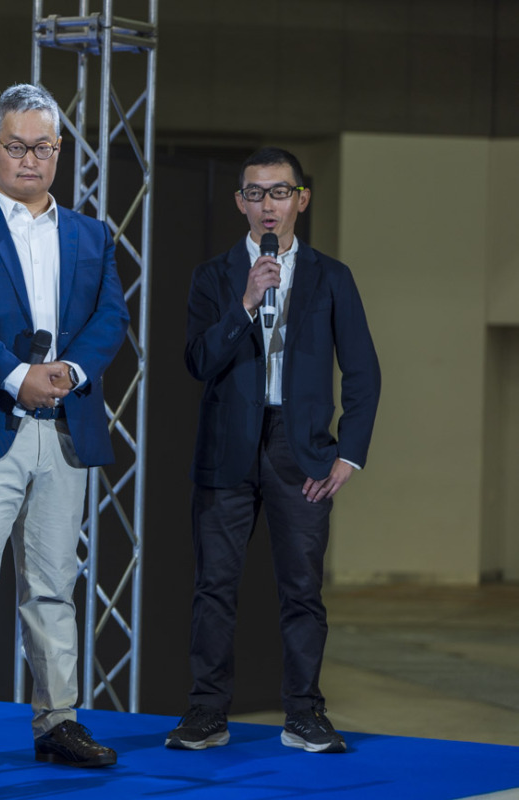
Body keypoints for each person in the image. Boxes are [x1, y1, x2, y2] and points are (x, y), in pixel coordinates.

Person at [0, 83, 129, 771]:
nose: (30, 159)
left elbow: (111, 317)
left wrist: (68, 371)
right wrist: (18, 376)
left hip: (65, 425)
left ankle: (57, 720)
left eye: (43, 147)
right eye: (16, 146)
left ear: (60, 151)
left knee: (53, 583)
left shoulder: (92, 234)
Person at [166, 146, 381, 754]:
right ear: (240, 202)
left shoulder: (332, 277)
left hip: (301, 447)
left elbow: (363, 372)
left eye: (280, 192)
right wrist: (245, 303)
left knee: (302, 589)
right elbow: (198, 361)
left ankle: (304, 713)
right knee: (214, 586)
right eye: (256, 193)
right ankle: (207, 712)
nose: (268, 204)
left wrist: (348, 454)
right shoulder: (213, 276)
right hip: (226, 447)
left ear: (301, 200)